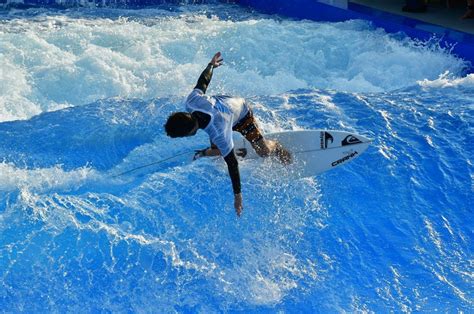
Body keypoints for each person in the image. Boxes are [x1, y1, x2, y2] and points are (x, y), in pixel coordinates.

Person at [164, 52, 291, 217]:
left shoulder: (219, 132)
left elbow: (232, 164)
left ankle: (275, 145)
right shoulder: (191, 102)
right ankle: (204, 152)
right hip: (226, 104)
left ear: (190, 132)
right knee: (219, 151)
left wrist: (238, 196)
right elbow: (203, 81)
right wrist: (211, 66)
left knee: (263, 152)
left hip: (242, 114)